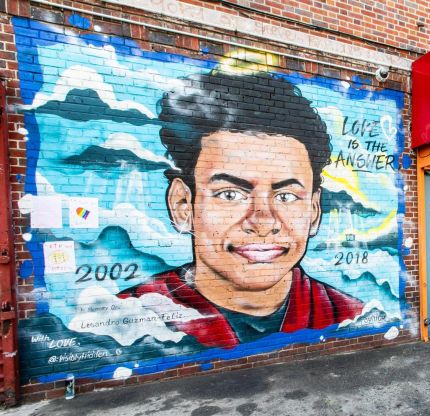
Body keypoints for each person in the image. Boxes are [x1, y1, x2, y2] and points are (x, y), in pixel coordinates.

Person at [119, 71, 363, 348]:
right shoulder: (128, 325)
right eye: (231, 194)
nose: (263, 221)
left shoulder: (349, 315)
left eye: (286, 196)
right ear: (183, 205)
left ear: (314, 211)